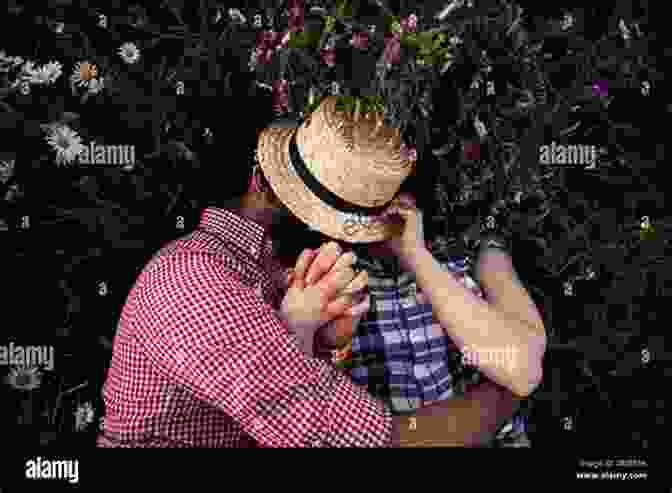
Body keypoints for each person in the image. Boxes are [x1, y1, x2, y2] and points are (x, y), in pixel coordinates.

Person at [97, 90, 523, 447]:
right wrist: (503, 401)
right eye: (325, 217)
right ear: (262, 181)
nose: (346, 240)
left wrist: (327, 342)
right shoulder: (196, 281)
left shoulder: (267, 269)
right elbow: (355, 439)